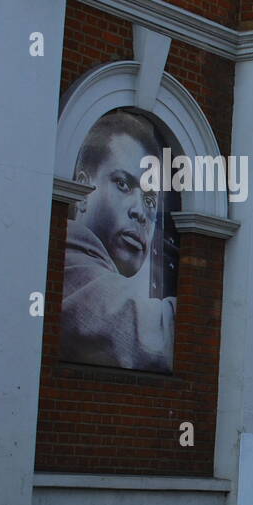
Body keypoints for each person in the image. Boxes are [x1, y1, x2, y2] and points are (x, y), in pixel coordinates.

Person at [62, 110, 176, 371]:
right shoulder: (70, 267)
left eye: (150, 200)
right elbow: (150, 338)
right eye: (123, 184)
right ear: (83, 192)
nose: (139, 211)